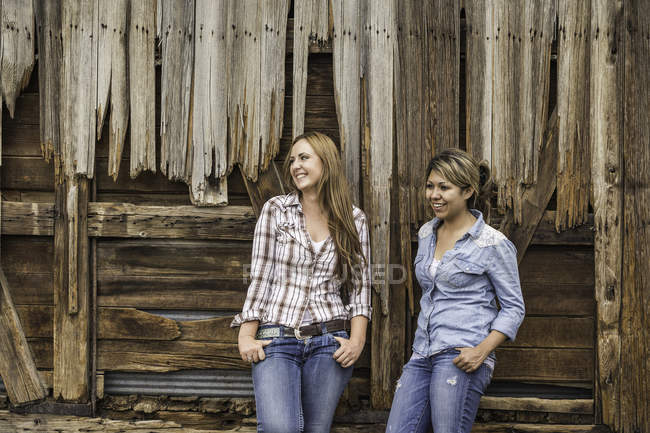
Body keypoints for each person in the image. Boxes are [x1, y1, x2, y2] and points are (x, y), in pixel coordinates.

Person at [231, 132, 372, 433]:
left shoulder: (354, 218)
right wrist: (246, 335)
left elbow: (360, 287)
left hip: (329, 340)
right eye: (293, 160)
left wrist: (357, 341)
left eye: (304, 157)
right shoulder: (276, 211)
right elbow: (260, 275)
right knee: (280, 428)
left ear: (327, 162)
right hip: (276, 337)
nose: (295, 165)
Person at [386, 149, 525, 433]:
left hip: (461, 355)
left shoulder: (492, 243)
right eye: (430, 186)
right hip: (422, 352)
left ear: (468, 191)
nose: (434, 195)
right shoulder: (427, 233)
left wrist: (481, 352)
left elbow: (513, 307)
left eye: (444, 188)